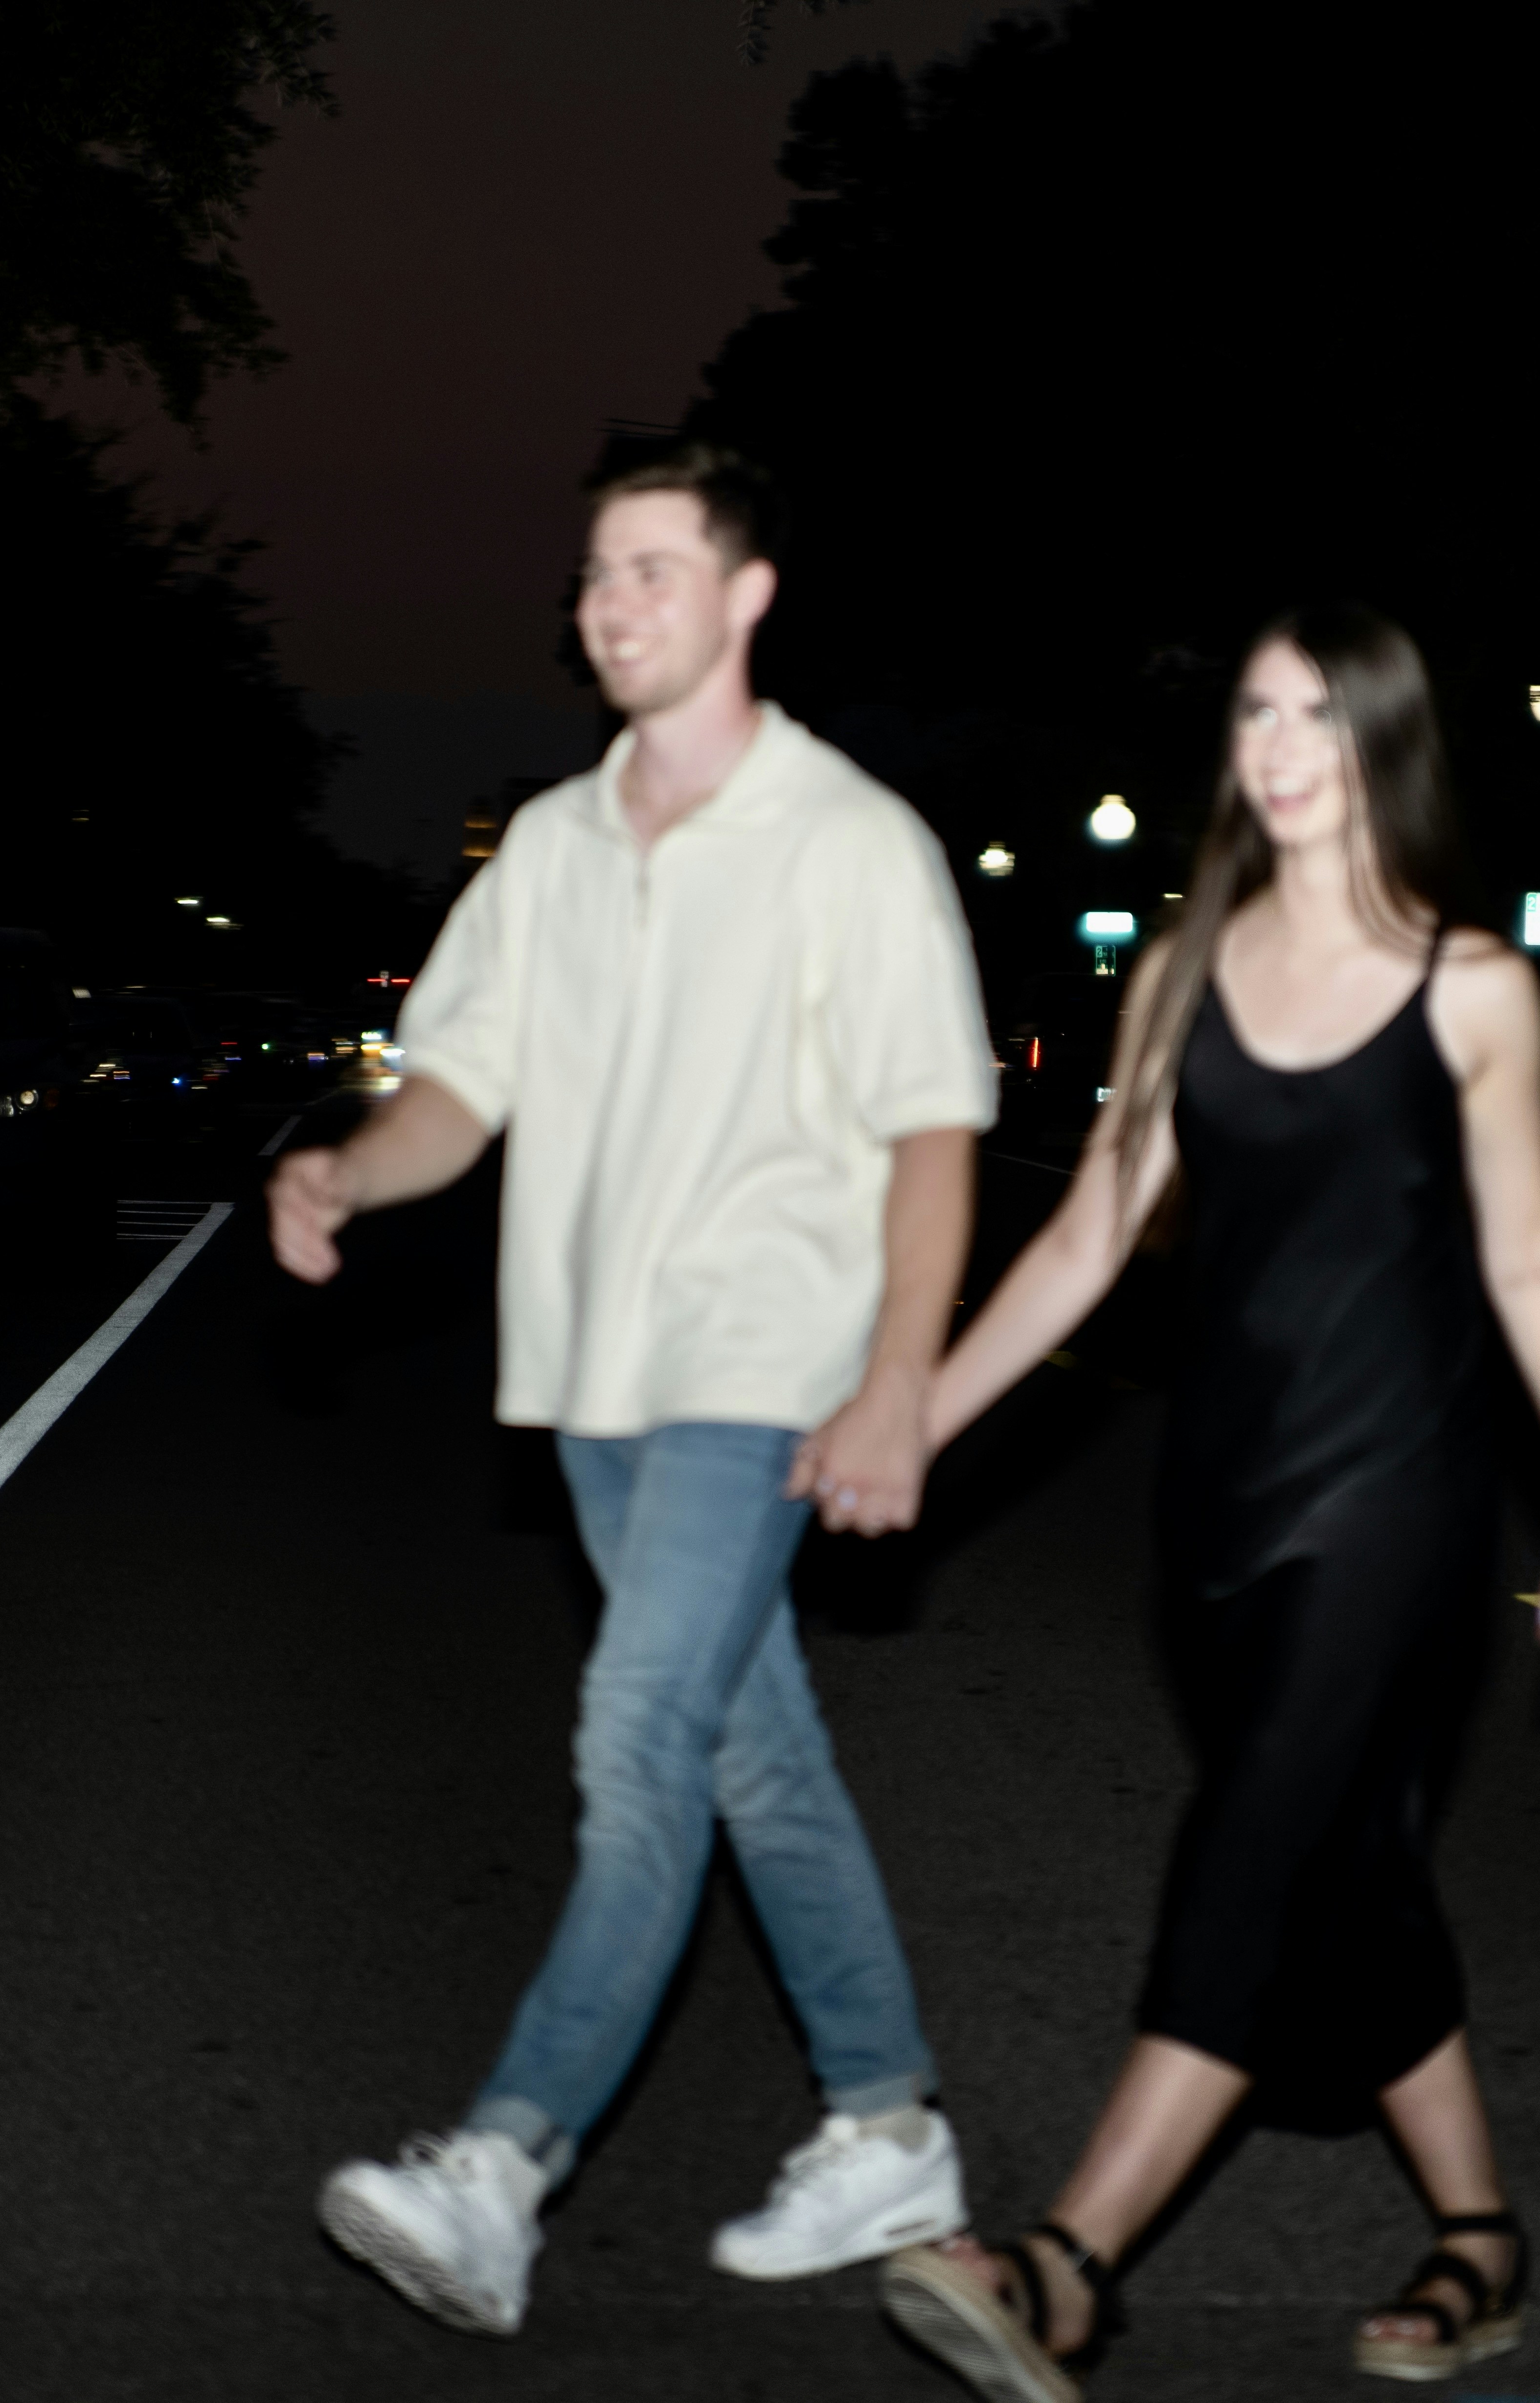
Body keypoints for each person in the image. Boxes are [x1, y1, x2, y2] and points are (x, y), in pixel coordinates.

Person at [273, 444, 997, 2338]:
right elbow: (463, 1088)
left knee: (637, 1742)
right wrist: (355, 1164)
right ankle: (884, 2120)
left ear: (746, 596)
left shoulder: (851, 839)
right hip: (592, 1378)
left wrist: (903, 1376)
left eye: (657, 571)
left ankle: (505, 2160)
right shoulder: (559, 849)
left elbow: (935, 1129)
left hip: (765, 1365)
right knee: (750, 1752)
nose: (615, 605)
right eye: (599, 572)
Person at [875, 602, 1540, 2397]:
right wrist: (915, 1410)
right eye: (1257, 716)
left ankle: (1066, 2266)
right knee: (1340, 1875)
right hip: (1219, 1501)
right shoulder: (1184, 969)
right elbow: (1087, 1239)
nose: (1280, 749)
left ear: (1383, 747)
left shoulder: (1473, 986)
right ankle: (1482, 2239)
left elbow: (1523, 1253)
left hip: (1404, 1499)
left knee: (1251, 1850)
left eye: (1319, 718)